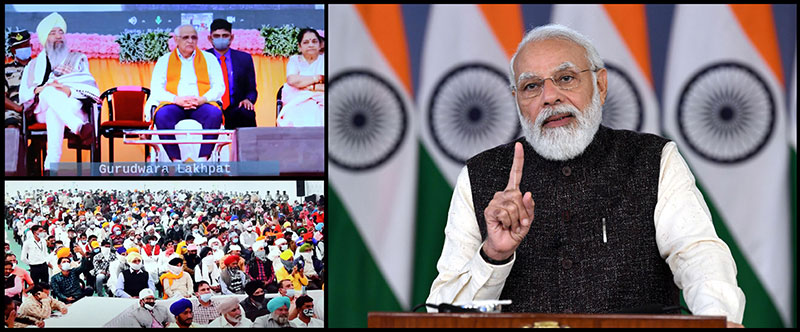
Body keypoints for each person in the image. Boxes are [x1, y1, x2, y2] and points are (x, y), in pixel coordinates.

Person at [425, 24, 745, 327]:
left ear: (600, 85)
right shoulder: (481, 174)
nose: (549, 97)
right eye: (531, 86)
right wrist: (493, 255)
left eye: (565, 78)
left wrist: (715, 317)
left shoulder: (653, 159)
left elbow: (699, 255)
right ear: (517, 101)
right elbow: (442, 314)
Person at [18, 12, 100, 173]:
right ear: (44, 38)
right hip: (41, 108)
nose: (58, 36)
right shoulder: (33, 65)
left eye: (60, 32)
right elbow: (23, 95)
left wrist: (67, 89)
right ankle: (80, 128)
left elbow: (87, 84)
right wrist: (38, 89)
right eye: (52, 33)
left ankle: (50, 167)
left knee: (53, 111)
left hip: (73, 106)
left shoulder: (77, 59)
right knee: (49, 91)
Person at [148, 24, 225, 162]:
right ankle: (176, 162)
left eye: (194, 37)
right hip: (175, 104)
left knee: (215, 114)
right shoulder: (164, 60)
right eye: (186, 37)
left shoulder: (209, 59)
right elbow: (156, 89)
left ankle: (203, 160)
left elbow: (219, 86)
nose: (190, 41)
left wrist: (203, 99)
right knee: (162, 115)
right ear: (176, 40)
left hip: (201, 103)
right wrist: (176, 99)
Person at [204, 18, 258, 130]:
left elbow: (252, 89)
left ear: (231, 37)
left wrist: (248, 99)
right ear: (210, 38)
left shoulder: (244, 58)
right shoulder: (202, 58)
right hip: (210, 106)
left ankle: (247, 148)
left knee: (247, 113)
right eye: (217, 36)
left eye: (225, 35)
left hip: (236, 106)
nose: (221, 39)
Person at [276, 28, 324, 127]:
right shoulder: (294, 60)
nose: (310, 45)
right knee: (296, 116)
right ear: (299, 46)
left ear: (320, 45)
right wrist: (317, 78)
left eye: (314, 41)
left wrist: (307, 86)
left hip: (322, 101)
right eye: (306, 42)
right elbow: (292, 80)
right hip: (297, 101)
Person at [5, 29, 31, 129]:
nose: (23, 49)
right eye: (19, 47)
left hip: (37, 108)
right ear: (13, 50)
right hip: (15, 108)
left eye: (26, 45)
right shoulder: (6, 70)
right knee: (10, 126)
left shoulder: (40, 66)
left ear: (31, 46)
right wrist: (18, 108)